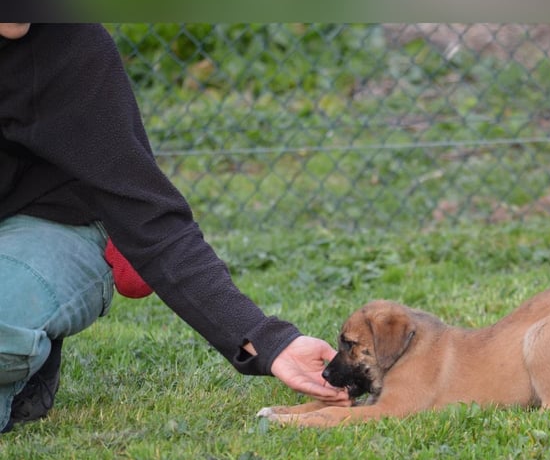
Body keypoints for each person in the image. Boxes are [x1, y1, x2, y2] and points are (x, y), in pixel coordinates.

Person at [0, 23, 350, 433]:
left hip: (52, 223)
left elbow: (151, 219)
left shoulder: (69, 43)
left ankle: (26, 349)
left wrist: (267, 341)